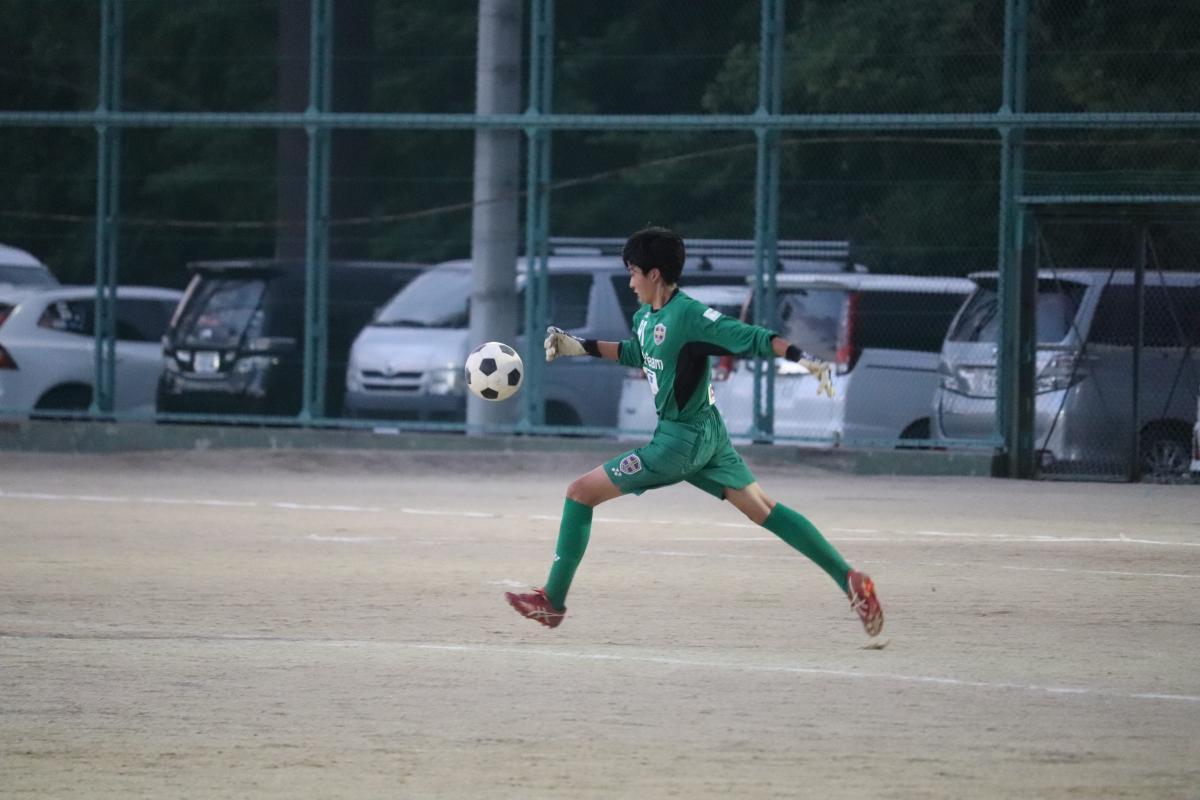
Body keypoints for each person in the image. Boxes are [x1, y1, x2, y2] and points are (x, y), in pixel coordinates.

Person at [505, 226, 883, 637]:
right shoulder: (645, 317)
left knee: (580, 493)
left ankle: (552, 603)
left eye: (633, 272)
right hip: (708, 435)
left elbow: (750, 337)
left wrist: (802, 356)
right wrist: (582, 345)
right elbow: (640, 352)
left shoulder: (688, 315)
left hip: (678, 443)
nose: (630, 282)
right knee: (763, 508)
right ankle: (849, 578)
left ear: (654, 274)